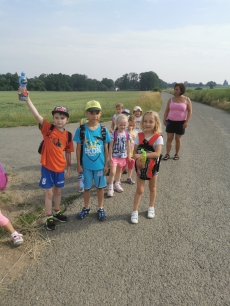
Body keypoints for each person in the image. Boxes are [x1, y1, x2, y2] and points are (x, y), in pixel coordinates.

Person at [25, 96, 74, 230]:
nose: (59, 120)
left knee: (58, 192)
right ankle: (49, 216)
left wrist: (69, 169)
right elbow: (37, 115)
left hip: (60, 169)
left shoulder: (68, 135)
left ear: (67, 120)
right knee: (49, 194)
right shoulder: (48, 128)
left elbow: (68, 152)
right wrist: (27, 99)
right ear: (53, 118)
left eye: (62, 118)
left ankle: (57, 211)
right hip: (47, 167)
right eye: (57, 117)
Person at [74, 100, 110, 221]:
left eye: (97, 112)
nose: (94, 115)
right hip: (86, 167)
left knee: (100, 188)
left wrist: (107, 164)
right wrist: (78, 165)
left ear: (100, 113)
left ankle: (100, 208)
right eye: (91, 112)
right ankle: (86, 207)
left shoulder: (103, 130)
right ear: (86, 113)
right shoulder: (81, 130)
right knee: (87, 188)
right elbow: (78, 148)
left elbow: (106, 148)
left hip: (100, 166)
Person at [131, 111, 163, 224]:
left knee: (152, 188)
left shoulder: (158, 137)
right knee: (139, 189)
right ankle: (135, 211)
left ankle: (151, 207)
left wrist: (142, 155)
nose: (147, 124)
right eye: (145, 121)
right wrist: (137, 157)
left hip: (153, 167)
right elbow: (135, 150)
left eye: (151, 121)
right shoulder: (139, 136)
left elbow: (157, 153)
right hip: (140, 166)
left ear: (156, 123)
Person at [162, 83, 192, 160]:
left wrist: (186, 122)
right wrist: (164, 119)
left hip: (181, 122)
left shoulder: (186, 99)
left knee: (178, 139)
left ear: (181, 90)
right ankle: (167, 154)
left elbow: (190, 111)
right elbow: (166, 111)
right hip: (170, 121)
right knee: (169, 138)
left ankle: (176, 154)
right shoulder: (171, 99)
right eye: (174, 89)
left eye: (177, 89)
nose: (175, 91)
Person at [107, 114, 132, 197]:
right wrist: (110, 156)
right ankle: (110, 187)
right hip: (114, 156)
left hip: (122, 156)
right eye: (121, 125)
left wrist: (129, 156)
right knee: (112, 172)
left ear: (127, 124)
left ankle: (117, 183)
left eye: (124, 125)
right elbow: (110, 146)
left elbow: (128, 146)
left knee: (119, 171)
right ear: (117, 124)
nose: (123, 126)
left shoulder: (127, 134)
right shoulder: (114, 134)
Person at [122, 115, 137, 184]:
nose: (131, 127)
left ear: (136, 124)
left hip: (132, 152)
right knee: (123, 167)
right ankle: (118, 178)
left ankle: (129, 177)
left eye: (133, 125)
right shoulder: (125, 131)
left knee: (131, 166)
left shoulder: (136, 132)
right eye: (130, 125)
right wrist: (130, 131)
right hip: (125, 152)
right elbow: (128, 139)